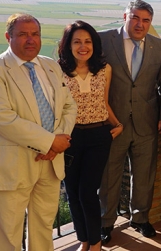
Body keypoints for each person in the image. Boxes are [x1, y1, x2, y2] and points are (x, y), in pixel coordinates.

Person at [0, 13, 77, 250]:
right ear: (8, 37)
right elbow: (3, 119)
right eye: (23, 34)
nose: (31, 40)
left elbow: (69, 105)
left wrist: (58, 142)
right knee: (7, 234)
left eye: (35, 34)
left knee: (43, 227)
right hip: (11, 164)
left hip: (50, 163)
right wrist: (51, 142)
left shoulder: (51, 66)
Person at [99, 0, 161, 242]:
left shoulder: (158, 46)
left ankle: (140, 219)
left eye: (146, 20)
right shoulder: (103, 40)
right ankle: (105, 223)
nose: (140, 24)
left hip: (147, 123)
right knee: (109, 176)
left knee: (144, 175)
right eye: (135, 18)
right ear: (125, 17)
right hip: (113, 124)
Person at [57, 20, 121, 251]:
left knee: (87, 191)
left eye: (87, 41)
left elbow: (103, 103)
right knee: (72, 192)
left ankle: (95, 243)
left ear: (94, 44)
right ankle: (83, 241)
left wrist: (117, 124)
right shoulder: (58, 71)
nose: (83, 46)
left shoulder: (104, 69)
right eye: (77, 42)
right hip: (70, 138)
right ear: (68, 45)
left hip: (98, 136)